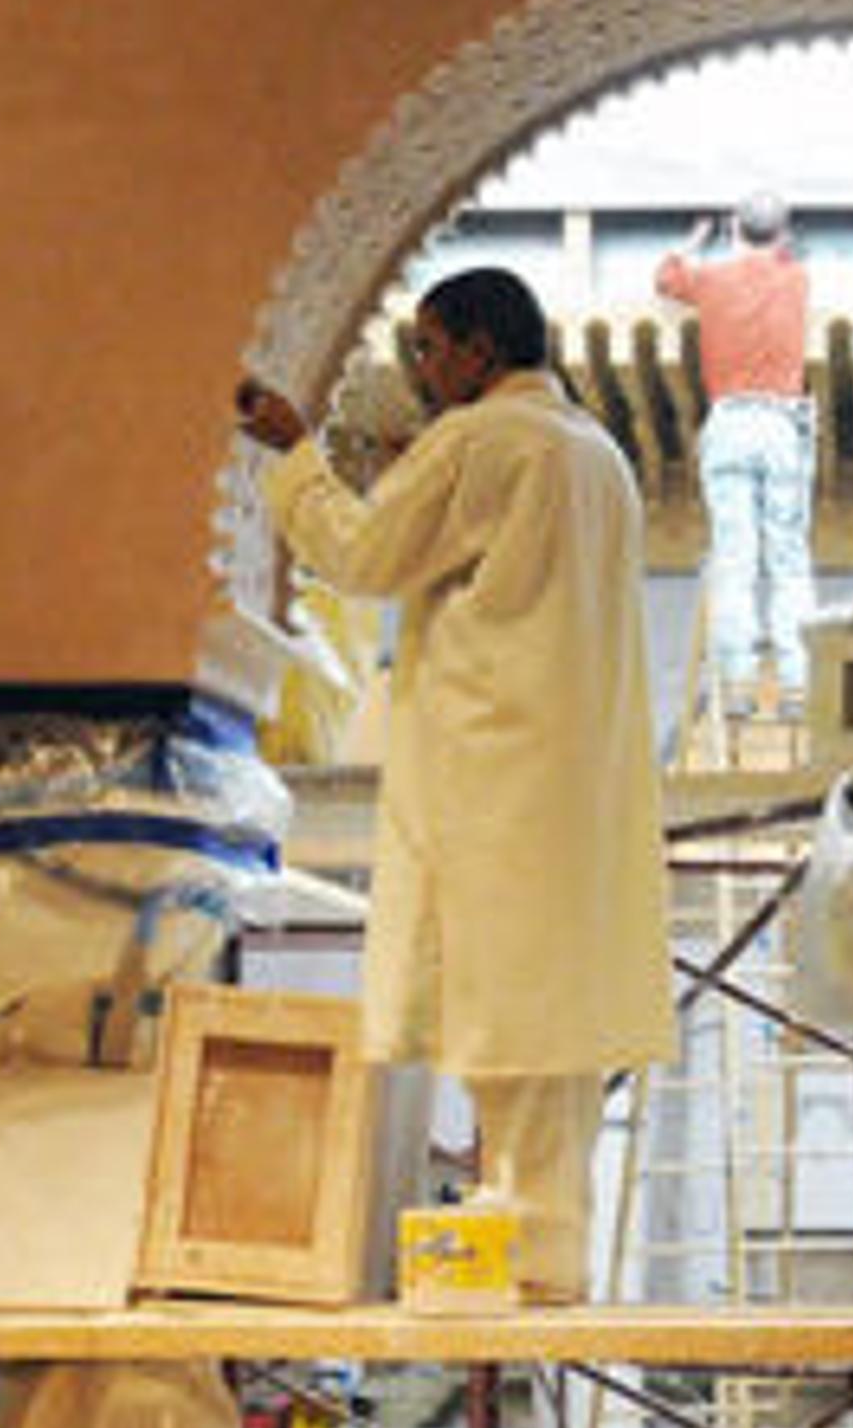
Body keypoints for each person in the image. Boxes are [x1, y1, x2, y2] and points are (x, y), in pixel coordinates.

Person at [233, 269, 671, 1302]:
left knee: (501, 1003)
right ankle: (549, 1239)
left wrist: (296, 456)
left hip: (495, 765)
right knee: (548, 1011)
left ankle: (522, 1231)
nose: (423, 375)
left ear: (478, 348)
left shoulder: (484, 440)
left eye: (430, 350)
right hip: (570, 773)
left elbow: (362, 554)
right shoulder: (597, 455)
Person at [655, 192, 819, 714]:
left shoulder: (713, 279)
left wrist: (694, 240)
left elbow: (666, 276)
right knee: (788, 560)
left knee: (734, 559)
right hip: (780, 425)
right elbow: (789, 253)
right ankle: (796, 687)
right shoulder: (796, 279)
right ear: (784, 233)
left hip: (729, 422)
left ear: (733, 227)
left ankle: (738, 689)